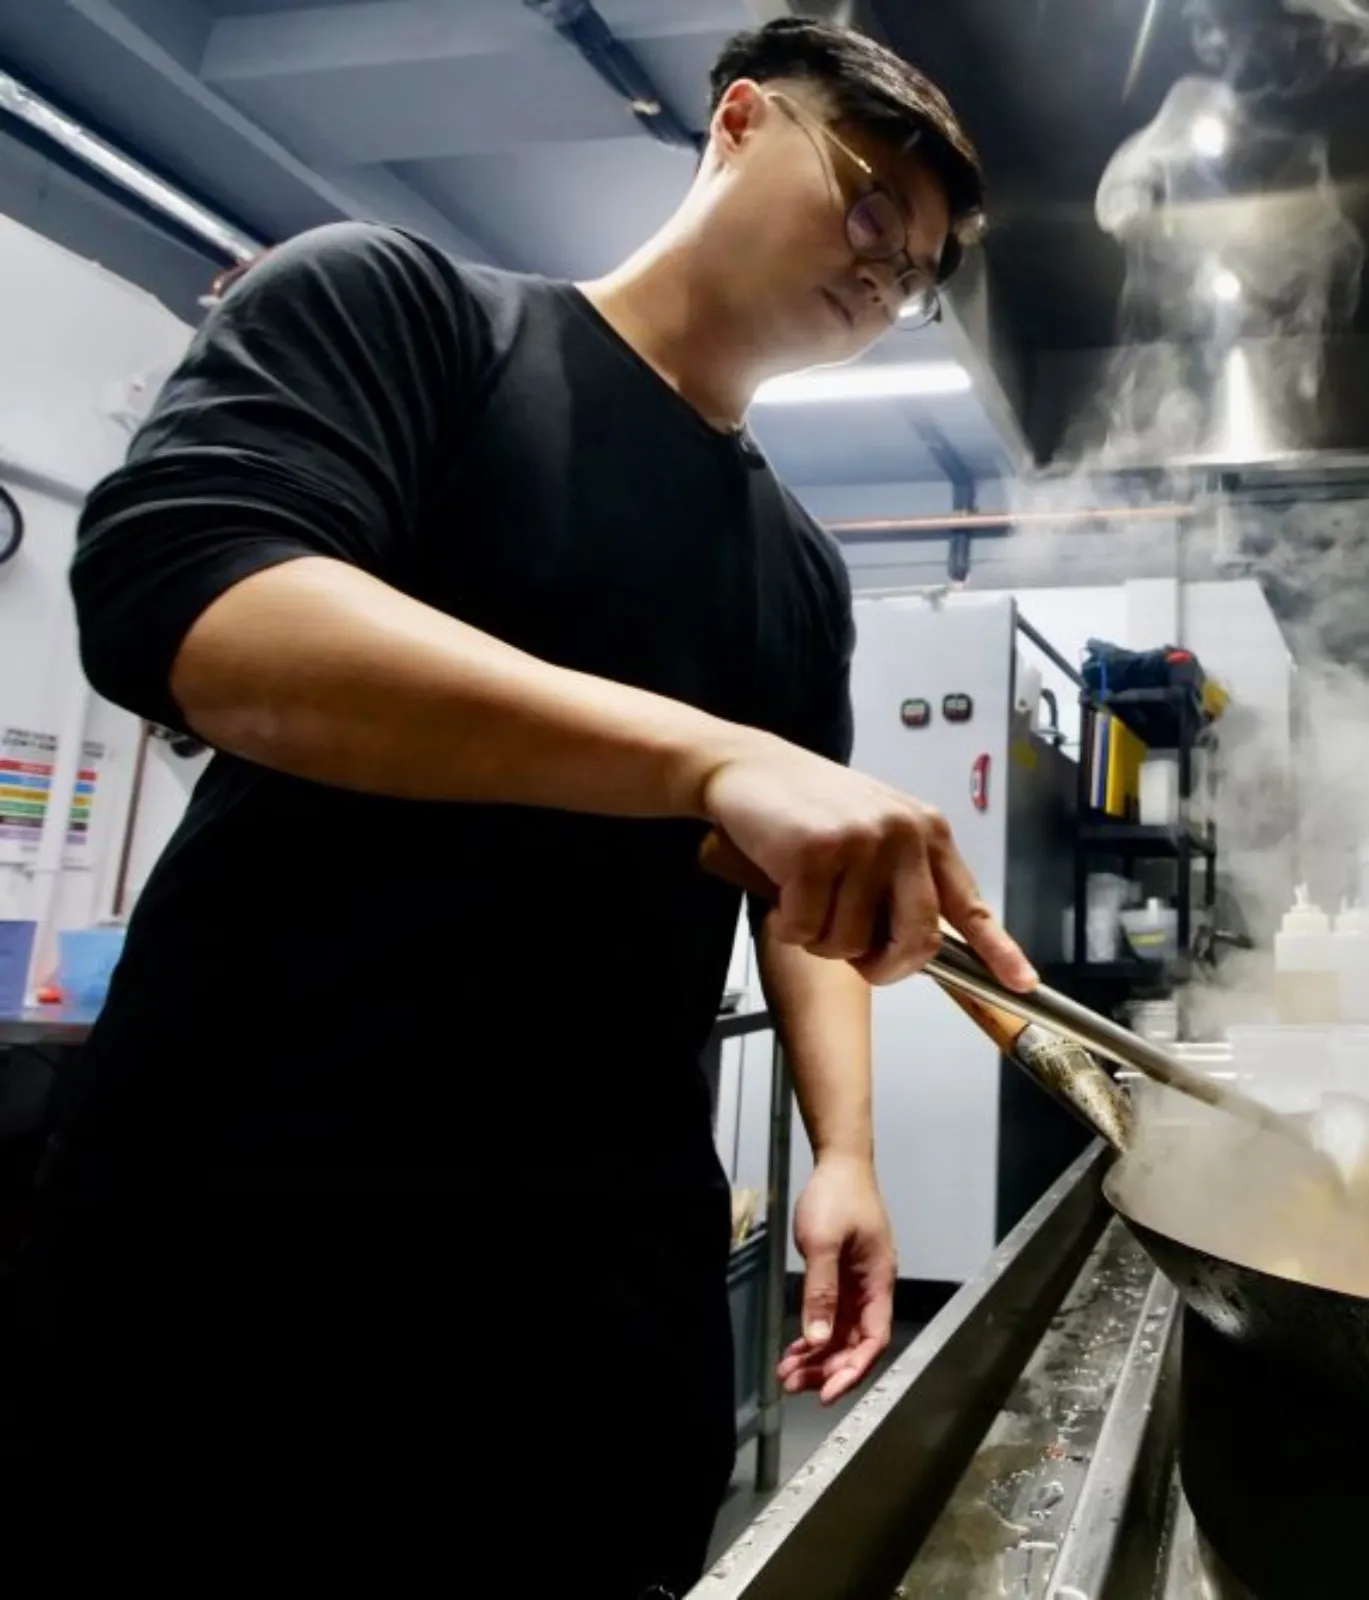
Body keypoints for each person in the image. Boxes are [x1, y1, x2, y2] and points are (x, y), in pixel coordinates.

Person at [0, 18, 1030, 1597]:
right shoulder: (406, 312)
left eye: (920, 271)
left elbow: (786, 896)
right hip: (252, 1224)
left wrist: (848, 1153)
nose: (887, 276)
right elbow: (204, 609)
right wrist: (711, 756)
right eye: (872, 203)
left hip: (598, 1277)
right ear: (739, 123)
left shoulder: (799, 572)